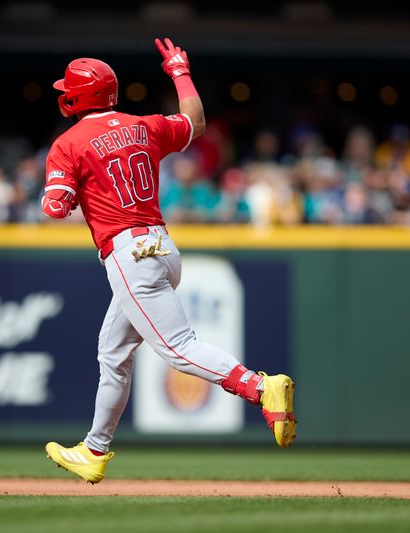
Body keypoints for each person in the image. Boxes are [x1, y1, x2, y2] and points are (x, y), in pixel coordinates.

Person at [41, 38, 296, 484]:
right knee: (113, 352)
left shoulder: (68, 144)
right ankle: (95, 450)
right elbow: (196, 123)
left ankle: (260, 387)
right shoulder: (144, 125)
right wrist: (179, 70)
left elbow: (55, 208)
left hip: (128, 254)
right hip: (162, 248)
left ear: (77, 97)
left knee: (177, 348)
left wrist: (66, 191)